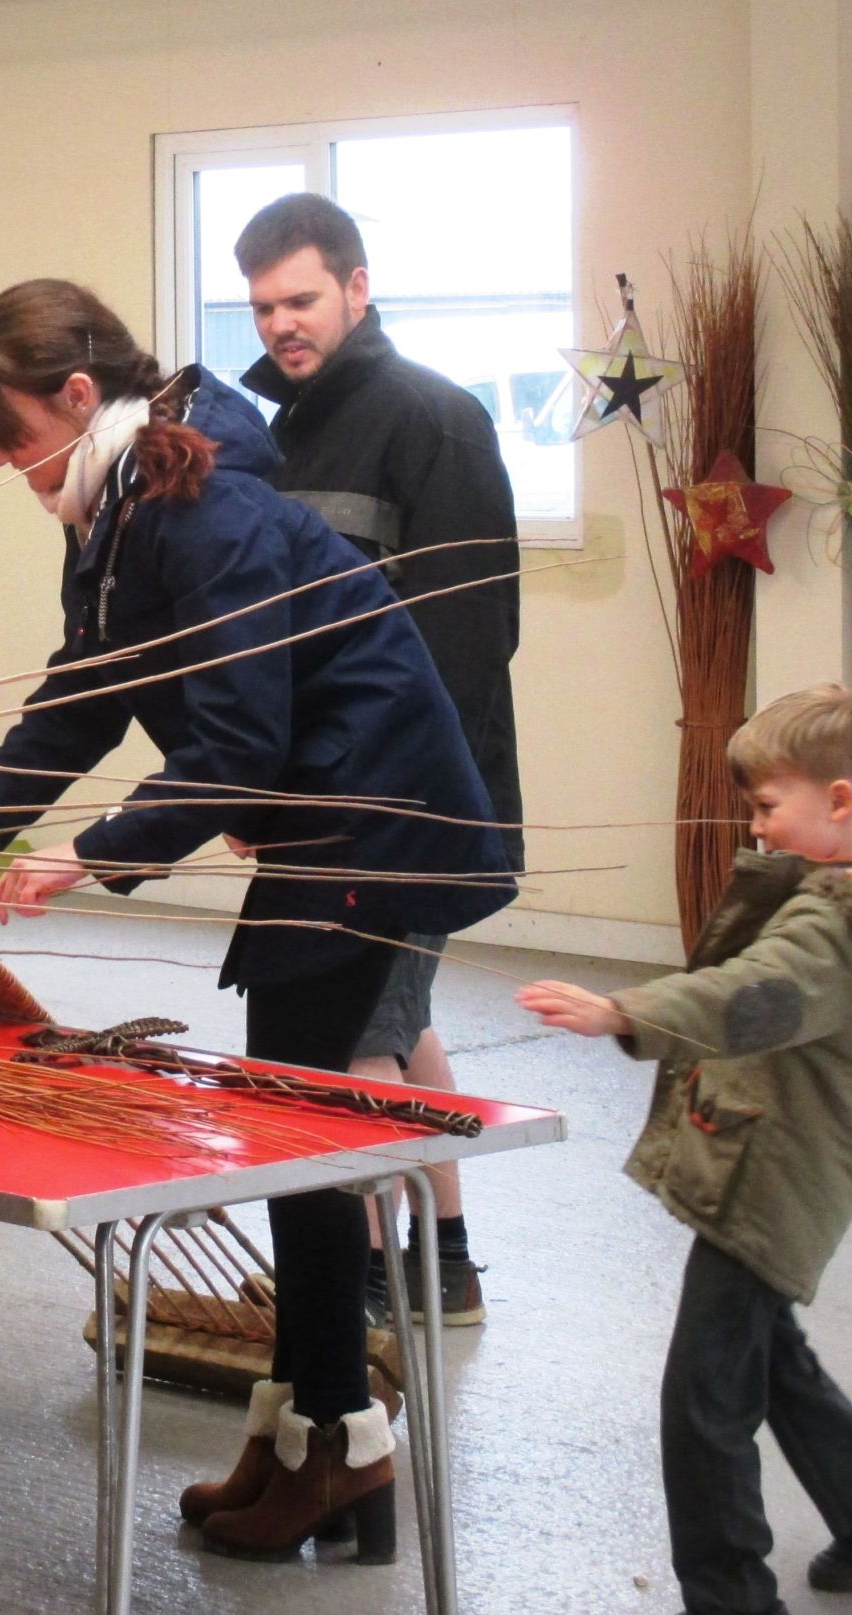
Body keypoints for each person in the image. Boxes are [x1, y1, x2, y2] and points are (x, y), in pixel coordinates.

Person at [0, 279, 512, 1561]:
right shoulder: (121, 504)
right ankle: (304, 1433)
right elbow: (83, 692)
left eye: (10, 436)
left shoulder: (199, 502)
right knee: (287, 1117)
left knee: (292, 1127)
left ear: (78, 396)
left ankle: (337, 1441)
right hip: (333, 809)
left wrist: (91, 852)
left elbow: (236, 743)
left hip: (375, 815)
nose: (3, 465)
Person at [516, 684, 852, 1615]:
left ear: (840, 800)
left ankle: (731, 1595)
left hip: (770, 1179)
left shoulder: (835, 925)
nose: (758, 827)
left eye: (769, 806)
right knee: (764, 1354)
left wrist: (624, 1010)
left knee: (703, 1401)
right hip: (782, 1166)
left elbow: (752, 994)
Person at [236, 192, 524, 1326]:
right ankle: (443, 1258)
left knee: (356, 1038)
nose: (280, 324)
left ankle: (356, 1281)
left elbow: (465, 641)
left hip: (405, 809)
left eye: (301, 299)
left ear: (357, 288)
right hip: (321, 802)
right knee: (396, 1017)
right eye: (263, 306)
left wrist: (383, 804)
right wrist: (265, 781)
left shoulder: (434, 420)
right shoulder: (281, 438)